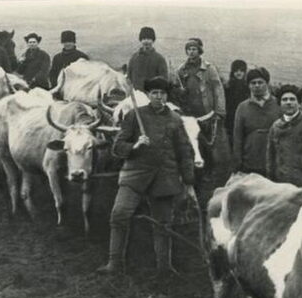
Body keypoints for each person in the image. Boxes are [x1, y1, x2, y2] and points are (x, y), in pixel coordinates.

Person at [96, 76, 196, 276]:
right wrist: (135, 145)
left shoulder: (176, 120)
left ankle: (164, 268)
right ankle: (114, 264)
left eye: (162, 93)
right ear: (149, 95)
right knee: (119, 215)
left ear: (167, 96)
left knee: (163, 225)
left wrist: (189, 182)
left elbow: (185, 153)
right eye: (154, 93)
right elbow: (117, 147)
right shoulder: (134, 116)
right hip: (135, 175)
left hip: (165, 178)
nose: (159, 97)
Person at [172, 37, 229, 207]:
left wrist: (220, 111)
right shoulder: (180, 71)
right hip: (190, 118)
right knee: (193, 149)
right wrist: (179, 94)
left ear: (200, 51)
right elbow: (177, 92)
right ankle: (194, 183)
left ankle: (213, 182)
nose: (191, 52)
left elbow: (218, 89)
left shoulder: (209, 69)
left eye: (194, 49)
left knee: (213, 149)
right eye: (188, 49)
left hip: (207, 116)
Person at [231, 67, 280, 176]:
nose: (257, 85)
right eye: (253, 83)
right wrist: (238, 163)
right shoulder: (242, 107)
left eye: (260, 82)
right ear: (249, 85)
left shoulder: (278, 104)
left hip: (275, 162)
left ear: (267, 83)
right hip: (250, 162)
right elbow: (238, 137)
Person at [127, 26, 168, 91]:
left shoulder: (159, 59)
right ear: (140, 40)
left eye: (149, 39)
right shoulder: (134, 58)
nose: (146, 41)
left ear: (153, 40)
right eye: (143, 38)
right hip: (136, 95)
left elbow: (164, 80)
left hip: (152, 95)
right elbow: (129, 78)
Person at [224, 59, 248, 145]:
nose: (239, 73)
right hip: (231, 118)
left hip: (244, 117)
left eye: (241, 70)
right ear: (232, 72)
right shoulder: (228, 87)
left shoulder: (248, 87)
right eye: (236, 70)